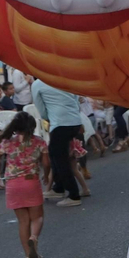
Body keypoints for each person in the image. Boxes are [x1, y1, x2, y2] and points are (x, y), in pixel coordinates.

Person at [0, 111, 47, 258]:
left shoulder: (8, 143)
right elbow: (46, 163)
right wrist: (47, 176)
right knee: (37, 217)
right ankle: (33, 238)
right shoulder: (39, 141)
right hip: (31, 182)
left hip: (13, 185)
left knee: (23, 222)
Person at [33, 78, 84, 206]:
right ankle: (58, 187)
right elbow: (77, 101)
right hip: (75, 121)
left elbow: (40, 107)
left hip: (60, 123)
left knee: (60, 159)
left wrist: (48, 119)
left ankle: (73, 194)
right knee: (55, 154)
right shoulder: (64, 79)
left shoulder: (38, 84)